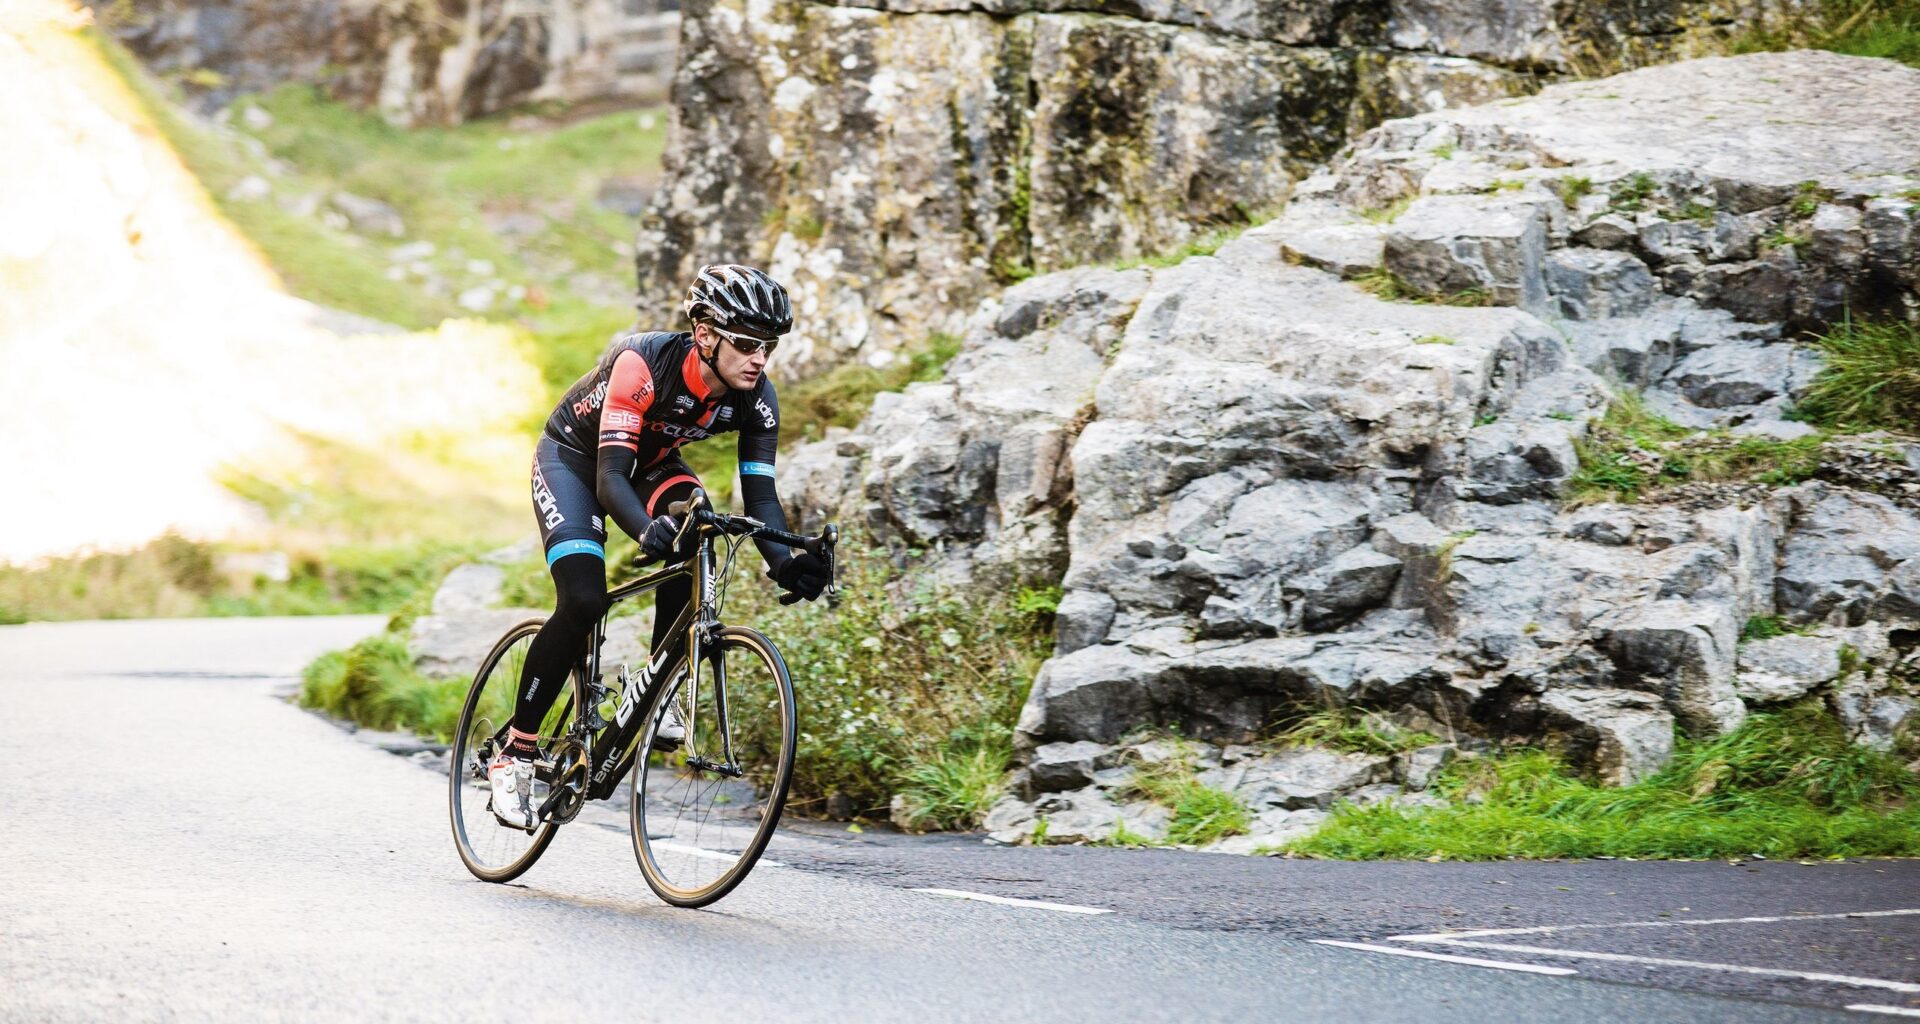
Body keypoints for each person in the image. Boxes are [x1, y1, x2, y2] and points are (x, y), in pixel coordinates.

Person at [490, 264, 833, 829]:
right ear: (705, 334)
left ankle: (657, 681)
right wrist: (643, 529)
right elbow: (609, 480)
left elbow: (762, 499)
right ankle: (517, 751)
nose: (759, 359)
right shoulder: (642, 365)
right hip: (576, 462)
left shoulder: (756, 398)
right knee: (583, 599)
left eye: (767, 347)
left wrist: (786, 565)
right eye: (747, 344)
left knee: (697, 522)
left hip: (650, 466)